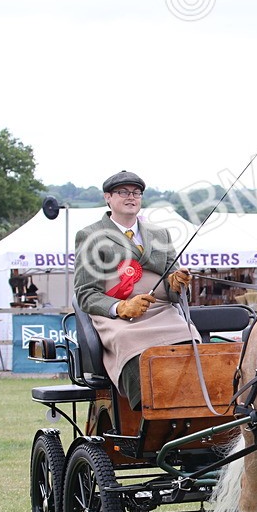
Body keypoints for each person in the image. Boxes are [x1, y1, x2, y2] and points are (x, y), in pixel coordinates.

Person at [73, 170, 197, 410]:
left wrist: (176, 284)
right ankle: (146, 411)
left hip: (162, 312)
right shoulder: (90, 236)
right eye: (123, 192)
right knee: (127, 339)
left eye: (136, 193)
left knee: (189, 333)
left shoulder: (160, 234)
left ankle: (195, 400)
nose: (131, 197)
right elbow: (85, 294)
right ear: (107, 197)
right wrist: (121, 307)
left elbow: (175, 292)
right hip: (119, 318)